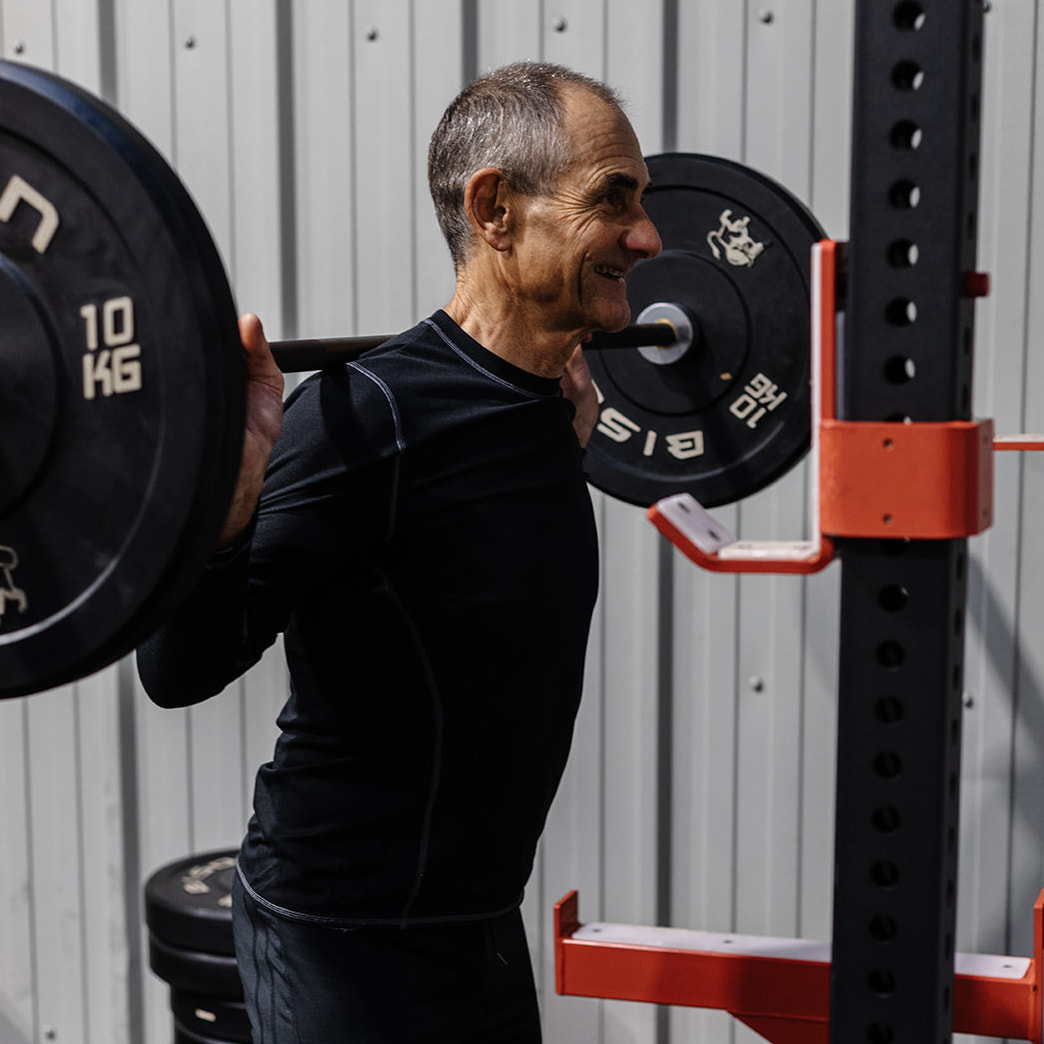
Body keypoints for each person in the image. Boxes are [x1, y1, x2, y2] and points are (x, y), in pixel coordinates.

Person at [138, 61, 661, 1043]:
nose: (648, 236)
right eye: (613, 200)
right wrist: (226, 505)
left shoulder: (550, 407)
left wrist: (562, 452)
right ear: (495, 209)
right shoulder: (362, 416)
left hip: (477, 922)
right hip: (342, 937)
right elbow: (177, 669)